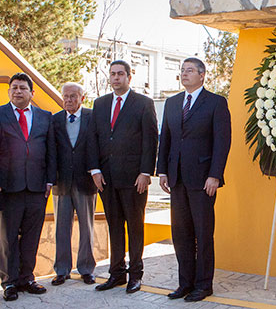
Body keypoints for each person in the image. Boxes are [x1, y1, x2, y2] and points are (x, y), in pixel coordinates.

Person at [157, 57, 231, 302]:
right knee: (181, 234)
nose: (184, 74)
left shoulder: (216, 103)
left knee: (203, 233)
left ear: (202, 75)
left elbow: (222, 142)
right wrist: (163, 170)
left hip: (202, 180)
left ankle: (203, 284)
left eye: (189, 70)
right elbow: (165, 139)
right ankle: (185, 283)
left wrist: (215, 175)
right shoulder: (172, 103)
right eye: (182, 70)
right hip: (176, 179)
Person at [88, 60, 158, 294]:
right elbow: (93, 138)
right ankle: (116, 273)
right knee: (114, 226)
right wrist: (95, 170)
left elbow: (151, 141)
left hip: (134, 179)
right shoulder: (99, 104)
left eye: (120, 74)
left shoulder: (143, 104)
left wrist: (145, 172)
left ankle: (135, 275)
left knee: (135, 227)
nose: (116, 78)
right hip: (106, 179)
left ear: (129, 77)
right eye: (113, 74)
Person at [0, 73, 56, 301]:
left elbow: (51, 151)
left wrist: (50, 180)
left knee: (32, 236)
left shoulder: (45, 117)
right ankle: (9, 282)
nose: (18, 91)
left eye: (23, 88)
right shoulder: (1, 114)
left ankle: (27, 278)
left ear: (32, 93)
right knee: (8, 237)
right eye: (14, 87)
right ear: (9, 91)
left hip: (37, 187)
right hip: (8, 188)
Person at [51, 82, 97, 286]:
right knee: (61, 228)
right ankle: (62, 270)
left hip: (85, 181)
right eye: (65, 96)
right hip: (61, 183)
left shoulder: (93, 118)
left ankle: (86, 269)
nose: (68, 100)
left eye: (73, 96)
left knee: (87, 227)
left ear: (82, 98)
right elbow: (51, 152)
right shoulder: (55, 120)